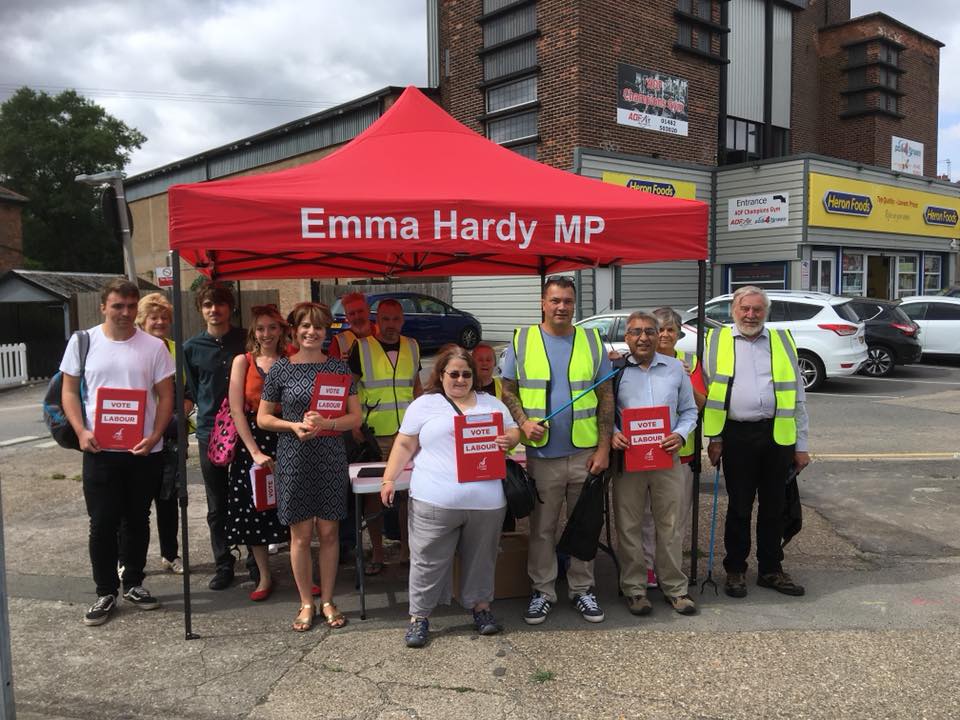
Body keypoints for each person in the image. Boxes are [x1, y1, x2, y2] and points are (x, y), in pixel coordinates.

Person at [380, 345, 520, 648]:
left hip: (486, 502)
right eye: (453, 373)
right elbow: (404, 444)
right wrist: (389, 478)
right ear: (441, 374)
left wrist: (509, 438)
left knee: (482, 560)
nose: (460, 379)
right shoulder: (424, 405)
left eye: (466, 374)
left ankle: (481, 608)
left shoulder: (492, 403)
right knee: (427, 560)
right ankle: (419, 617)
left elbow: (514, 433)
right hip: (434, 499)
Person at [60, 278, 175, 626]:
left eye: (130, 306)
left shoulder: (154, 347)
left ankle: (134, 583)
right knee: (103, 522)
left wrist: (155, 434)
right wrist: (81, 431)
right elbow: (68, 391)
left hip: (143, 451)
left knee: (139, 519)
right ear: (104, 307)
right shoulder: (84, 342)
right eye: (117, 306)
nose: (124, 313)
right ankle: (105, 591)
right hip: (100, 449)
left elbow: (166, 396)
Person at [500, 276, 614, 624]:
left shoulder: (592, 341)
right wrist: (522, 423)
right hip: (543, 456)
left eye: (567, 301)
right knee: (543, 529)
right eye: (555, 301)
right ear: (543, 303)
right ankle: (543, 591)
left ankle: (582, 590)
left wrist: (604, 448)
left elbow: (606, 396)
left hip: (585, 452)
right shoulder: (522, 340)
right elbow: (507, 389)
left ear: (574, 304)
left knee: (585, 525)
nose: (561, 307)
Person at [258, 302, 361, 631]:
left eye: (318, 327)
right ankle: (306, 602)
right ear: (294, 330)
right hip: (293, 457)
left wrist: (327, 423)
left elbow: (355, 417)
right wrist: (293, 426)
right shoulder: (281, 369)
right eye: (305, 326)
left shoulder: (339, 369)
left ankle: (328, 599)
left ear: (326, 331)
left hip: (330, 456)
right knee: (300, 535)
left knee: (329, 533)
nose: (311, 332)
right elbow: (263, 417)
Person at [703, 285, 811, 598]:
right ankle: (735, 570)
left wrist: (801, 445)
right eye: (745, 309)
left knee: (774, 507)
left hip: (778, 435)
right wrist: (716, 438)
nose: (750, 315)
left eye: (757, 309)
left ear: (766, 312)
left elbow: (798, 396)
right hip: (737, 435)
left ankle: (771, 570)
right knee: (739, 507)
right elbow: (708, 391)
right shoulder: (716, 341)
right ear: (733, 311)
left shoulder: (781, 341)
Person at [610, 312, 699, 616]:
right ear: (627, 337)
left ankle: (675, 588)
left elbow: (689, 411)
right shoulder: (616, 370)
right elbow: (603, 412)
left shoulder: (675, 369)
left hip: (666, 457)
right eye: (636, 332)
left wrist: (680, 433)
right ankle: (634, 589)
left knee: (670, 525)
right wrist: (614, 434)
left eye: (650, 331)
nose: (644, 337)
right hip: (628, 460)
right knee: (629, 525)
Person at [349, 297, 423, 574]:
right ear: (376, 321)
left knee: (408, 494)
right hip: (374, 433)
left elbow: (415, 387)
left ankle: (406, 549)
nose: (391, 325)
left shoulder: (413, 346)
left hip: (407, 433)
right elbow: (350, 388)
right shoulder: (362, 347)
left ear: (402, 320)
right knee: (372, 495)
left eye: (395, 319)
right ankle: (377, 553)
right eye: (385, 319)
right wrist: (355, 425)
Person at [634, 306, 707, 587]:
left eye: (670, 330)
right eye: (659, 329)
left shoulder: (689, 362)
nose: (664, 335)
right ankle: (647, 566)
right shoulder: (635, 362)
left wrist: (686, 379)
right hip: (643, 452)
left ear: (678, 334)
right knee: (646, 516)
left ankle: (669, 569)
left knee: (673, 517)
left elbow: (699, 405)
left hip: (680, 453)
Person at [183, 282, 248, 591]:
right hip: (211, 432)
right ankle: (224, 563)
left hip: (248, 429)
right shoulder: (191, 348)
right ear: (201, 309)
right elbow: (194, 391)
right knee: (217, 504)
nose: (214, 310)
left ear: (229, 307)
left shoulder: (246, 339)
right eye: (208, 305)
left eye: (220, 304)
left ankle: (254, 558)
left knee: (249, 497)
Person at [119, 293, 188, 576]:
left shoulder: (176, 350)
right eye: (153, 317)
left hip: (170, 439)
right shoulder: (130, 348)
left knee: (168, 500)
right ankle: (127, 561)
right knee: (132, 504)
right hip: (134, 437)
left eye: (164, 318)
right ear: (141, 320)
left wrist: (179, 414)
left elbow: (188, 392)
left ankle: (170, 555)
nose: (159, 322)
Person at [226, 305, 291, 602]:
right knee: (256, 510)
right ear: (254, 331)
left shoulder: (292, 359)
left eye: (272, 328)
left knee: (294, 507)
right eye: (261, 328)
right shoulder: (243, 361)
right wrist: (253, 451)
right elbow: (236, 409)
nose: (267, 334)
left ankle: (300, 572)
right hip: (252, 440)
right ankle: (264, 575)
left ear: (281, 330)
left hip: (288, 435)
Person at [328, 291, 377, 359]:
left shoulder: (382, 333)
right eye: (352, 314)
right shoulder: (339, 341)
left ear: (368, 311)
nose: (357, 317)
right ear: (347, 317)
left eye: (360, 311)